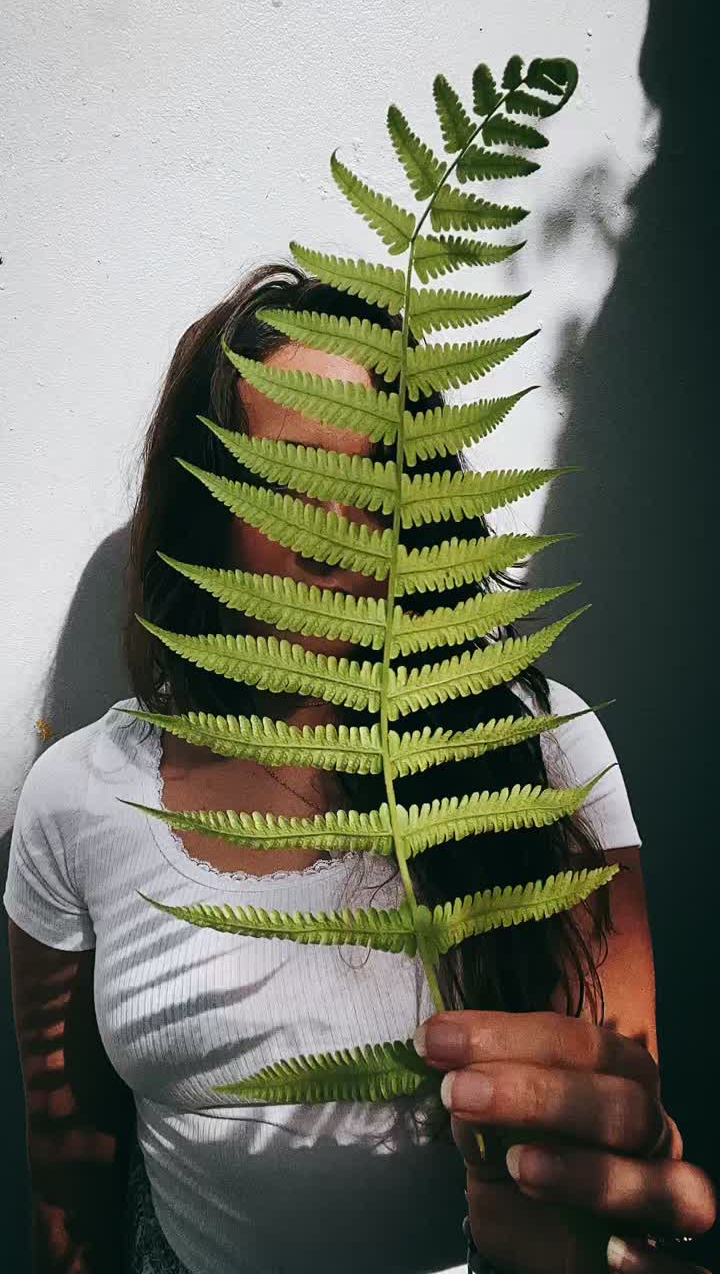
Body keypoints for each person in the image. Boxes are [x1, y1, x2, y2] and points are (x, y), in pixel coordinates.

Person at [5, 263, 715, 1274]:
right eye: (295, 477)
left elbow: (618, 1109)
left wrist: (586, 1233)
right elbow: (66, 1173)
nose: (345, 521)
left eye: (379, 468)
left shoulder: (540, 746)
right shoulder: (80, 794)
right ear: (207, 506)